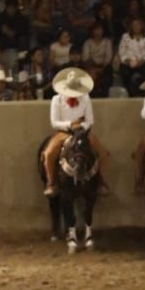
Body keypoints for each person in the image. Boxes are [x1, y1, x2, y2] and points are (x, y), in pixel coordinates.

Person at [41, 67, 111, 195]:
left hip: (83, 131)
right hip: (64, 132)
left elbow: (90, 120)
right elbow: (54, 122)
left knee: (103, 153)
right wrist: (70, 125)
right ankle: (51, 183)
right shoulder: (56, 100)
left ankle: (101, 180)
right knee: (49, 153)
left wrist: (81, 128)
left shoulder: (85, 98)